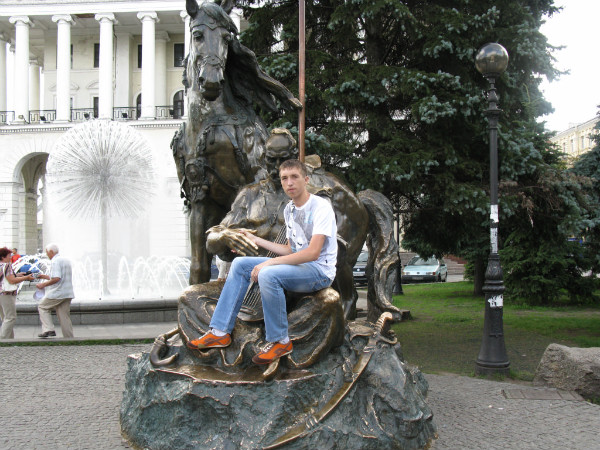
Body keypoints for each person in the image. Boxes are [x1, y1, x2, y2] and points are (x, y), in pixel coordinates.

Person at [186, 158, 338, 365]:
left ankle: (280, 341)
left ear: (306, 180)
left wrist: (269, 263)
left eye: (294, 177)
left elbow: (312, 253)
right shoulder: (290, 210)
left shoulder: (321, 207)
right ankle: (220, 331)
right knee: (240, 265)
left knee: (268, 274)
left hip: (319, 271)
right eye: (284, 178)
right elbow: (290, 249)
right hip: (299, 266)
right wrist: (257, 240)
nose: (289, 183)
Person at [35, 243, 75, 338]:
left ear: (51, 252)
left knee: (42, 307)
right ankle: (69, 338)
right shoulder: (65, 260)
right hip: (68, 293)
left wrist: (43, 284)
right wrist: (45, 276)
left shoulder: (55, 261)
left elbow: (57, 278)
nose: (46, 254)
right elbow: (59, 276)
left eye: (47, 252)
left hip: (58, 292)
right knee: (64, 316)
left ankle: (48, 329)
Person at [0, 247, 35, 339]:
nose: (10, 257)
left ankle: (9, 340)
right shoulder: (6, 265)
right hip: (6, 294)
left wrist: (18, 275)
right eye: (9, 255)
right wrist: (26, 277)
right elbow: (12, 280)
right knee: (10, 317)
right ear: (3, 257)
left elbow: (5, 277)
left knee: (5, 318)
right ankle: (3, 339)